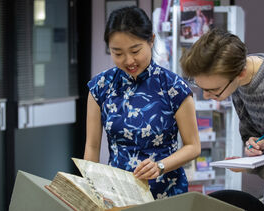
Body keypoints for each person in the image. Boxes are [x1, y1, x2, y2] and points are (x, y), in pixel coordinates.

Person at [180, 28, 264, 210]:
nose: (206, 95)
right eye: (200, 86)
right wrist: (260, 145)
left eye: (213, 90)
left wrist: (255, 167)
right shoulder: (239, 82)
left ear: (240, 73)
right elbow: (257, 134)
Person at [84, 6, 201, 199]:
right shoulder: (100, 86)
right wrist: (92, 188)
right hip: (120, 193)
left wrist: (161, 166)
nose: (129, 60)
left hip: (167, 191)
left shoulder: (173, 86)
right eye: (118, 53)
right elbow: (92, 147)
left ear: (151, 40)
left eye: (135, 50)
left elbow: (193, 146)